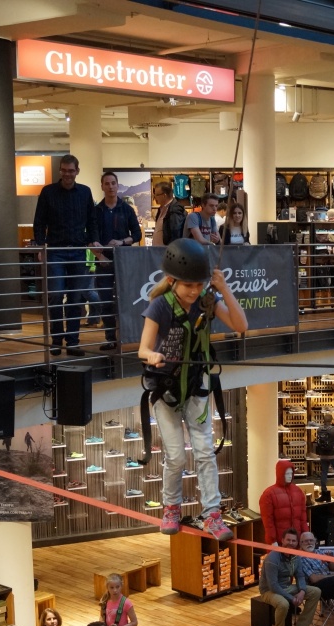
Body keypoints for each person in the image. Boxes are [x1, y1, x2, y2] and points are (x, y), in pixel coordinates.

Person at [139, 239, 248, 540]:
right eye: (188, 285)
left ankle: (212, 513)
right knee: (175, 455)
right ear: (172, 280)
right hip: (167, 388)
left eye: (199, 285)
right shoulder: (160, 306)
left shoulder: (207, 302)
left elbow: (240, 325)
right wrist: (153, 356)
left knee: (204, 453)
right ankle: (171, 506)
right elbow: (143, 348)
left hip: (197, 386)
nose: (194, 291)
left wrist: (222, 288)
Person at [32, 153, 101, 356]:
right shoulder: (47, 192)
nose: (68, 174)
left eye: (71, 170)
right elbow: (39, 221)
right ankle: (56, 340)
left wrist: (94, 240)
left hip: (78, 252)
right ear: (60, 170)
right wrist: (41, 245)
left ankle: (72, 342)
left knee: (75, 298)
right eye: (64, 170)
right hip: (55, 251)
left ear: (77, 171)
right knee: (54, 296)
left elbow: (92, 220)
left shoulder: (85, 192)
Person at [93, 171, 142, 352]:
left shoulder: (127, 209)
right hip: (103, 261)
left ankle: (127, 336)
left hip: (124, 262)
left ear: (117, 184)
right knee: (105, 299)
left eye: (113, 183)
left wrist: (122, 242)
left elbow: (137, 234)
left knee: (126, 299)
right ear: (102, 186)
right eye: (107, 183)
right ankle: (110, 338)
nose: (111, 186)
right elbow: (91, 236)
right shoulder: (96, 211)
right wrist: (99, 255)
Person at [258, 528, 322, 626]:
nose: (290, 543)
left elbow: (300, 576)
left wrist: (302, 591)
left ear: (297, 543)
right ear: (282, 540)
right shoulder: (272, 558)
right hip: (269, 591)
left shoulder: (296, 557)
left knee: (315, 592)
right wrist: (291, 598)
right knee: (283, 603)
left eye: (293, 541)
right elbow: (273, 586)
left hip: (286, 586)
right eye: (288, 540)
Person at [314, 413, 334, 503]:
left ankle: (324, 491)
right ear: (332, 420)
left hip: (323, 455)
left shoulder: (319, 429)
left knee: (324, 473)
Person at [152, 180, 186, 247]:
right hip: (158, 252)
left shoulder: (175, 210)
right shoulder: (161, 209)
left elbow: (176, 233)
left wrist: (171, 251)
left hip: (167, 253)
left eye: (156, 195)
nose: (154, 197)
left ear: (164, 195)